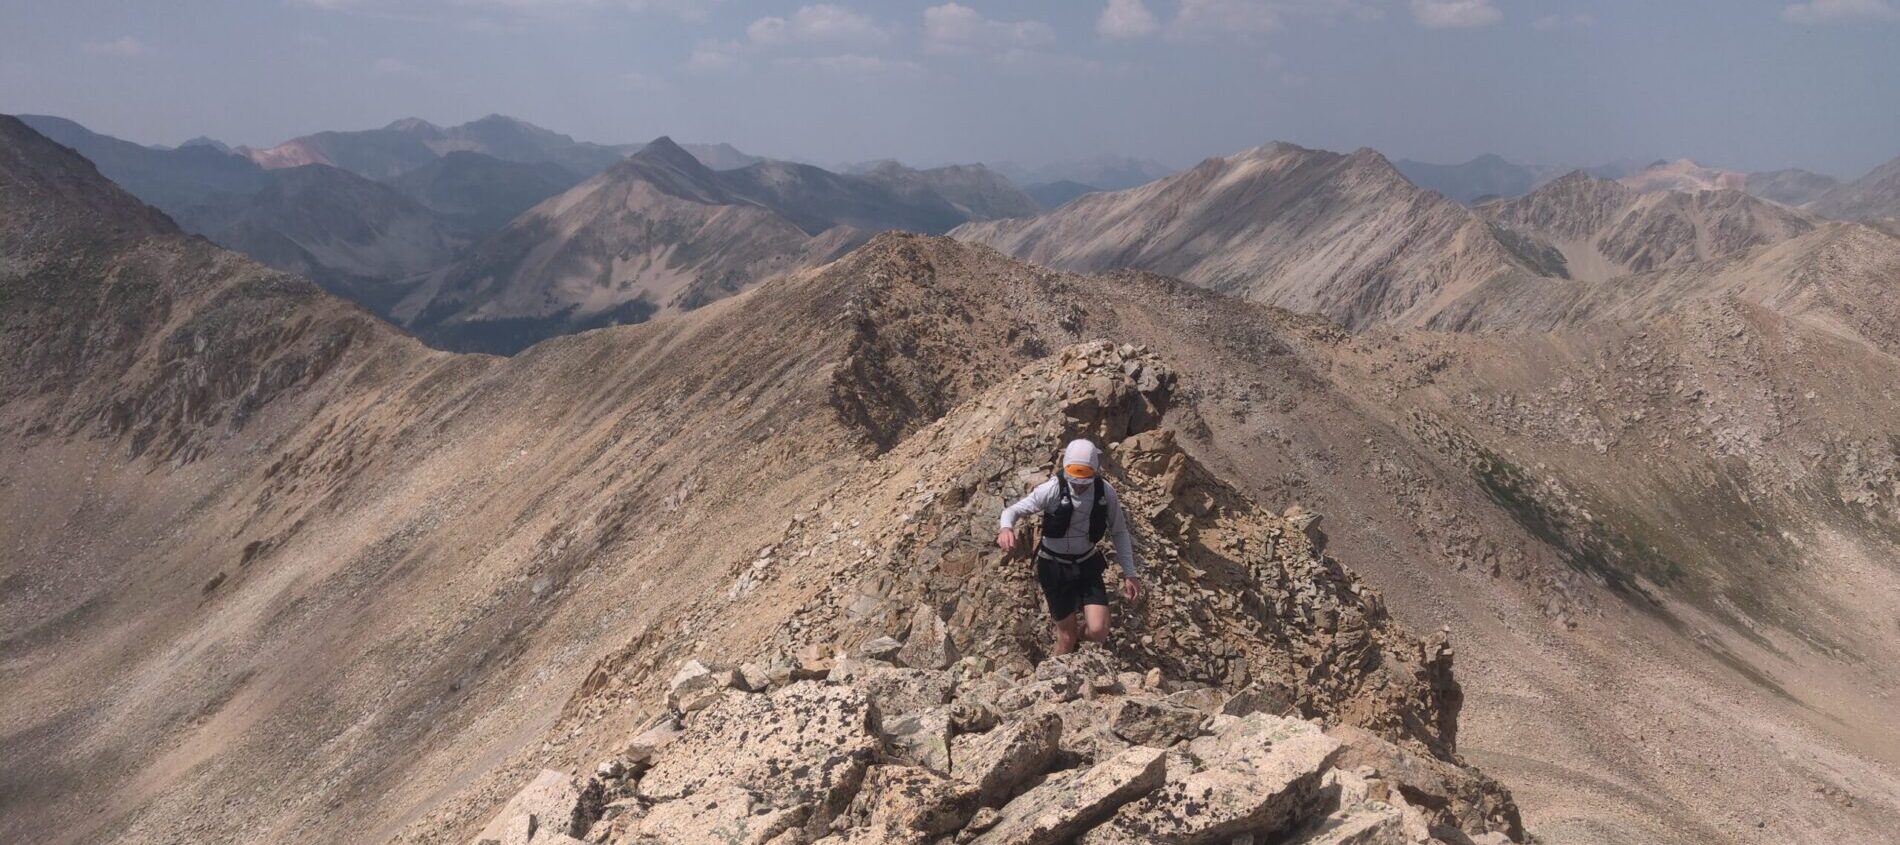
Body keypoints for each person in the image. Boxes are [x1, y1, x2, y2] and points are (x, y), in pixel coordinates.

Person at [996, 438, 1144, 654]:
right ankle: (1048, 678)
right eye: (1074, 480)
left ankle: (1078, 638)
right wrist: (1006, 528)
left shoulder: (1105, 492)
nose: (1078, 486)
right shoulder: (1052, 489)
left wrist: (1130, 573)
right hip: (1054, 567)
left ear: (1094, 472)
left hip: (1086, 564)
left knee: (1098, 631)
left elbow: (1119, 531)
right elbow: (1012, 510)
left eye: (1084, 481)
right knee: (1066, 638)